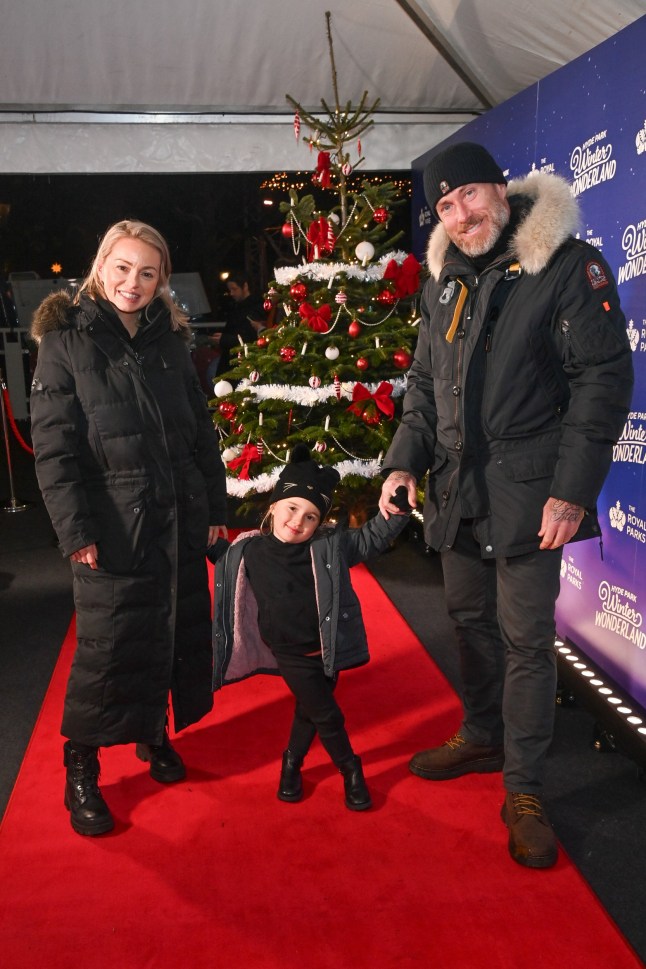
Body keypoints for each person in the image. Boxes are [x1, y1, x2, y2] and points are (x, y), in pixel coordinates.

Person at [379, 142, 633, 868]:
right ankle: (482, 731)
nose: (462, 215)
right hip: (460, 493)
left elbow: (603, 381)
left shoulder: (565, 263)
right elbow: (426, 388)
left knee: (526, 641)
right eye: (446, 206)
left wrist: (572, 490)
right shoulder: (444, 280)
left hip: (532, 495)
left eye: (470, 196)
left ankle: (523, 787)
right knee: (466, 619)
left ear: (500, 186)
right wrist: (403, 460)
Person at [29, 219, 228, 837]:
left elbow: (200, 430)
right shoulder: (67, 339)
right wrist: (75, 531)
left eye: (147, 272)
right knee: (107, 651)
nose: (132, 283)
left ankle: (152, 733)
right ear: (100, 264)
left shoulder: (170, 337)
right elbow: (55, 449)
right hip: (114, 525)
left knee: (167, 633)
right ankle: (81, 767)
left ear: (162, 279)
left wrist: (216, 507)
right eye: (122, 267)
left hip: (177, 517)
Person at [212, 445, 410, 810]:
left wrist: (397, 511)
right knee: (327, 715)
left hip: (328, 648)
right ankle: (350, 768)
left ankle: (292, 763)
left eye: (311, 517)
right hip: (290, 653)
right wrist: (199, 529)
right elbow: (216, 552)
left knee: (309, 709)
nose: (298, 522)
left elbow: (371, 537)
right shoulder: (248, 552)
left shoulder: (329, 547)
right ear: (272, 507)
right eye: (291, 509)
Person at [207, 270, 268, 380]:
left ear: (245, 286)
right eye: (230, 290)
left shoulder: (256, 307)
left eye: (234, 289)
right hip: (233, 360)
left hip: (244, 363)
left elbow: (252, 338)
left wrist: (225, 339)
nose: (231, 293)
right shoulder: (238, 307)